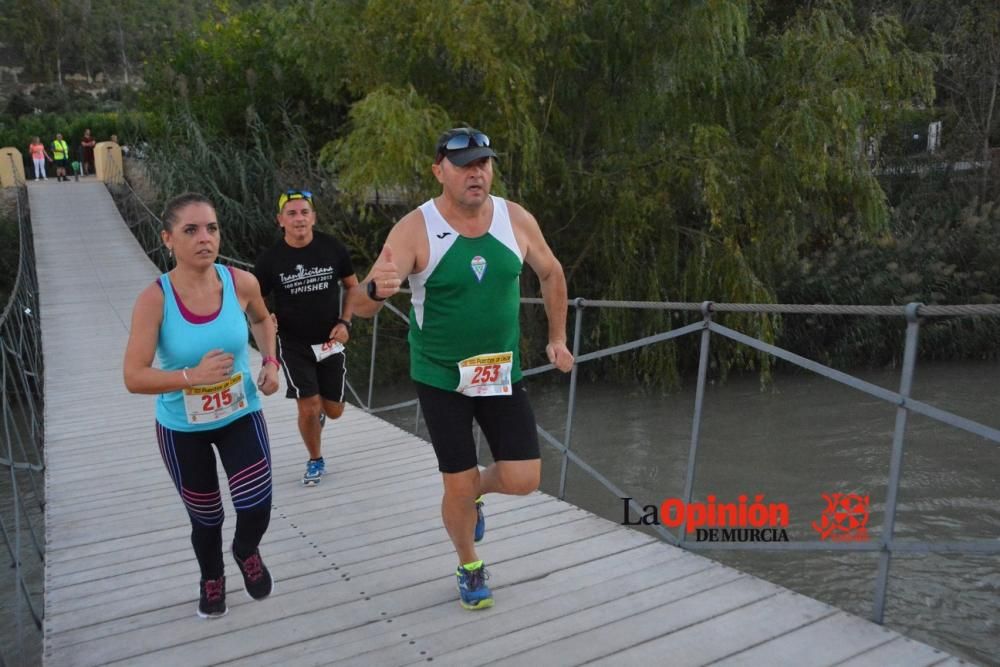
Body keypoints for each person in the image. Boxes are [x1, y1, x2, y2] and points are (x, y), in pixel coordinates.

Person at [352, 127, 574, 610]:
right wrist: (376, 290)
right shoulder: (415, 228)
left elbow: (552, 273)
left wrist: (557, 338)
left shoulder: (514, 219)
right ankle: (469, 563)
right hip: (440, 376)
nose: (476, 173)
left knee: (523, 479)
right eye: (464, 165)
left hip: (499, 373)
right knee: (455, 481)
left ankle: (472, 492)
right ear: (439, 171)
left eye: (484, 163)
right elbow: (358, 303)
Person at [123, 192, 280, 619]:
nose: (204, 238)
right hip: (182, 428)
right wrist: (192, 377)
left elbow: (264, 320)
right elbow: (134, 375)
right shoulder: (154, 300)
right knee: (206, 518)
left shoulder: (241, 283)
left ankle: (246, 550)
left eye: (211, 228)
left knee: (256, 504)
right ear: (168, 239)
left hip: (239, 414)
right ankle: (211, 578)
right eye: (190, 230)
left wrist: (270, 361)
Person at [254, 189, 360, 486]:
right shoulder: (270, 259)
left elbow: (353, 287)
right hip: (293, 343)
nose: (298, 218)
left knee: (334, 410)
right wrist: (265, 316)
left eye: (304, 212)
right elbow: (254, 298)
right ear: (280, 220)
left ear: (313, 217)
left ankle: (322, 417)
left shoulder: (333, 248)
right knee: (308, 405)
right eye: (291, 213)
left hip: (330, 340)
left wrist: (346, 322)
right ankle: (315, 458)